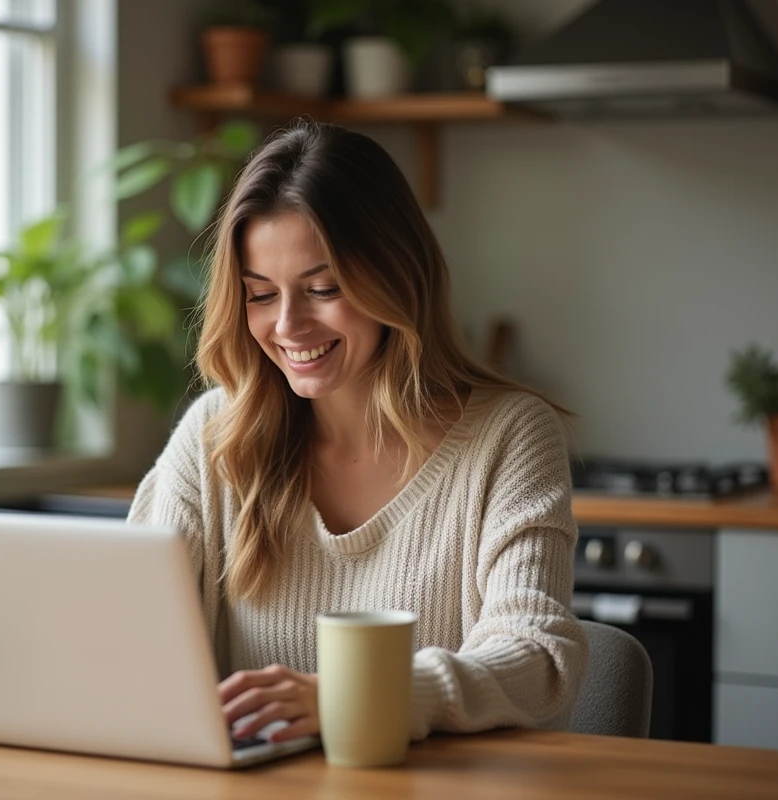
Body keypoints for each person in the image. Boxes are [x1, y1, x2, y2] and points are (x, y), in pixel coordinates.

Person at [127, 120, 587, 745]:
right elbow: (130, 634)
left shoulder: (508, 437)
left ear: (396, 277)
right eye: (260, 295)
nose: (288, 326)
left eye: (323, 289)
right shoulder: (215, 436)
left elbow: (536, 657)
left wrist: (358, 699)